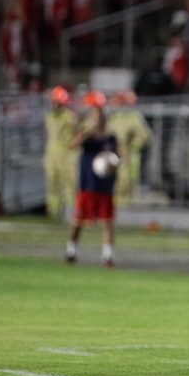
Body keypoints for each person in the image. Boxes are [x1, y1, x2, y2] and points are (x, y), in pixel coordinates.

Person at [66, 90, 119, 268]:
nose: (99, 118)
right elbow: (72, 145)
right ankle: (71, 250)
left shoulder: (110, 138)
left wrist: (112, 163)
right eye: (96, 115)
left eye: (101, 115)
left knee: (107, 221)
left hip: (105, 185)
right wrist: (85, 132)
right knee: (78, 220)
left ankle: (107, 256)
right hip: (87, 184)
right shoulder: (87, 137)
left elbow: (117, 157)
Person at [107, 90, 151, 204]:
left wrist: (132, 147)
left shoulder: (134, 117)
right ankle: (117, 204)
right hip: (114, 153)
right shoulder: (114, 117)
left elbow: (144, 136)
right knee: (115, 181)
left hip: (129, 156)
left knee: (127, 182)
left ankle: (127, 205)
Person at [43, 86, 78, 219]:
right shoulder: (49, 117)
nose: (55, 104)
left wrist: (73, 145)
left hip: (66, 154)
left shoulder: (70, 117)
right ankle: (53, 211)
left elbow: (77, 133)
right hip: (51, 154)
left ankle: (71, 212)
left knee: (69, 183)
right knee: (52, 183)